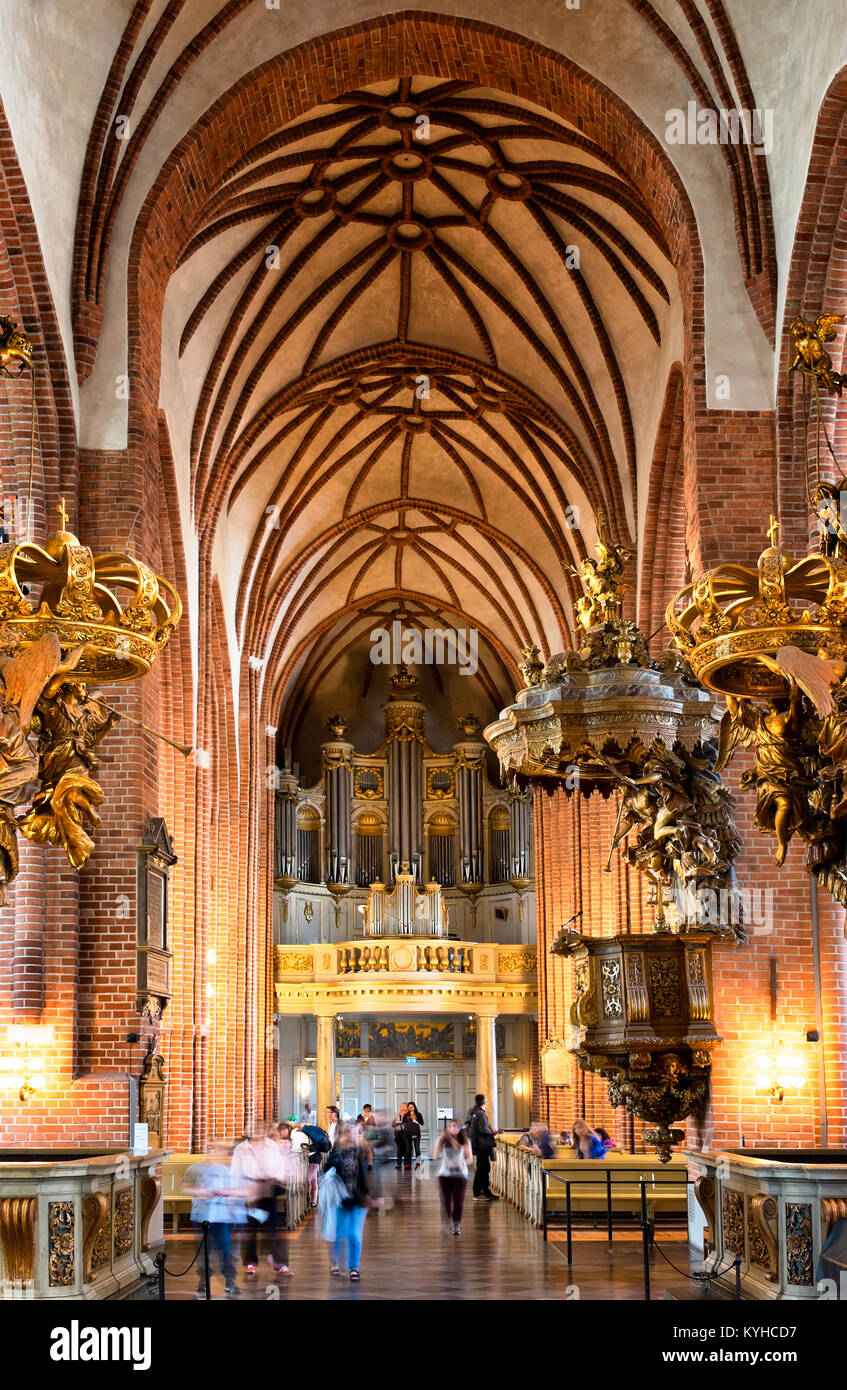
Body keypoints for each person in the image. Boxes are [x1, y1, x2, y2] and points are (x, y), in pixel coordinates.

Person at [182, 1140, 247, 1299]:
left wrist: (226, 1193)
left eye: (218, 1150)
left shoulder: (225, 1170)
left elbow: (235, 1190)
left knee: (225, 1248)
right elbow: (185, 1187)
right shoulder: (194, 1168)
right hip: (200, 1215)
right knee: (203, 1250)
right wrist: (200, 1191)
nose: (214, 1153)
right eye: (211, 1149)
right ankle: (203, 1279)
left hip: (220, 1216)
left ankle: (230, 1280)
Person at [231, 1124, 293, 1277]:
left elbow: (280, 1165)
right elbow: (235, 1172)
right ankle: (249, 1262)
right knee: (250, 1229)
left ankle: (280, 1262)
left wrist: (276, 1176)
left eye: (260, 1128)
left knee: (274, 1228)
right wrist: (239, 1192)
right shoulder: (242, 1149)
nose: (258, 1131)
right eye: (255, 1129)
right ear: (248, 1131)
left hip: (268, 1188)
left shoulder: (271, 1145)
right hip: (250, 1191)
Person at [324, 1122, 369, 1281]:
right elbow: (328, 1168)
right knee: (339, 1232)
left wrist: (366, 1193)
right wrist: (335, 1160)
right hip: (340, 1199)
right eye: (349, 1132)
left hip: (355, 1197)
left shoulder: (356, 1150)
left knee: (355, 1234)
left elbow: (361, 1172)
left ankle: (354, 1268)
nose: (352, 1135)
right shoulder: (337, 1150)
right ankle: (334, 1262)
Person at [433, 1118, 472, 1234]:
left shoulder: (465, 1141)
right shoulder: (442, 1139)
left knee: (458, 1200)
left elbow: (470, 1158)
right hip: (445, 1174)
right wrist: (441, 1152)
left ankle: (456, 1224)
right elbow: (435, 1156)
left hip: (460, 1174)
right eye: (452, 1126)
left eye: (457, 1126)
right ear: (448, 1128)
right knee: (446, 1201)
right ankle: (447, 1222)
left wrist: (462, 1162)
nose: (454, 1128)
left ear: (460, 1129)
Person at [467, 1094, 499, 1200]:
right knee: (482, 1169)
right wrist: (493, 1131)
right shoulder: (480, 1113)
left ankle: (485, 1191)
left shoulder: (472, 1111)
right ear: (484, 1102)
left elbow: (468, 1127)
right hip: (482, 1145)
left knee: (484, 1168)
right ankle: (477, 1193)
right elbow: (484, 1129)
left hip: (476, 1144)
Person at [403, 1101, 423, 1169]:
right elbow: (403, 1122)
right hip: (407, 1134)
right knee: (408, 1150)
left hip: (416, 1134)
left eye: (412, 1107)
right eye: (409, 1107)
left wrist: (415, 1118)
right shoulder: (406, 1115)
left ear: (414, 1107)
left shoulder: (418, 1114)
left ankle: (417, 1163)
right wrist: (408, 1117)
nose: (411, 1108)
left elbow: (422, 1122)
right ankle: (407, 1163)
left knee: (417, 1149)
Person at [393, 1103, 409, 1169]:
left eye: (403, 1106)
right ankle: (399, 1164)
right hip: (398, 1134)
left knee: (406, 1150)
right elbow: (392, 1124)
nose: (401, 1107)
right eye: (401, 1106)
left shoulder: (408, 1115)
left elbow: (410, 1124)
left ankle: (406, 1164)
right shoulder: (397, 1115)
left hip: (406, 1134)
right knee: (399, 1150)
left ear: (406, 1107)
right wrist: (396, 1122)